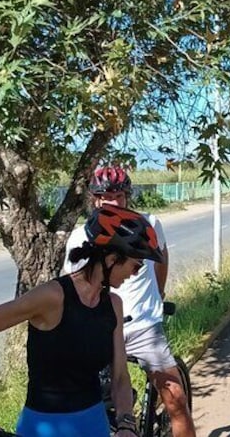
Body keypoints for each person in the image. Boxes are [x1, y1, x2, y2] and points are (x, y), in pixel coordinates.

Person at [0, 205, 163, 437]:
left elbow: (120, 377)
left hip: (94, 425)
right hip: (42, 428)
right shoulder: (53, 297)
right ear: (112, 259)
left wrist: (126, 423)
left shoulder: (113, 305)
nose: (135, 274)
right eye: (136, 266)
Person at [63, 164, 196, 437]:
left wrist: (158, 295)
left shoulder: (148, 224)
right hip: (101, 330)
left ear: (127, 197)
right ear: (95, 200)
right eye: (105, 197)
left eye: (118, 196)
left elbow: (161, 258)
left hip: (143, 327)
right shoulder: (80, 237)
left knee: (176, 398)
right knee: (95, 407)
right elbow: (76, 288)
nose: (112, 202)